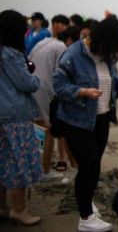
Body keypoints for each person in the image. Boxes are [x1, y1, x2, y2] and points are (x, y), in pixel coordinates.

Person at [53, 16, 118, 232]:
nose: (113, 52)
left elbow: (111, 80)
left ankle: (86, 203)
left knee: (93, 167)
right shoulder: (74, 54)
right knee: (89, 165)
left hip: (102, 118)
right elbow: (58, 84)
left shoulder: (106, 56)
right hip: (77, 120)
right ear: (103, 39)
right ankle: (85, 218)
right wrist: (82, 91)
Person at [0, 9, 43, 225]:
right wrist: (36, 80)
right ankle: (19, 209)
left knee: (2, 163)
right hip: (14, 116)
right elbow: (26, 83)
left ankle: (2, 207)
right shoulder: (10, 54)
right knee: (17, 163)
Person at [28, 14, 70, 180]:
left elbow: (29, 64)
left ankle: (35, 168)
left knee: (37, 129)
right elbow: (61, 74)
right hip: (46, 91)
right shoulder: (61, 46)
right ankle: (44, 171)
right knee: (48, 130)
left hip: (31, 88)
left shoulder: (41, 42)